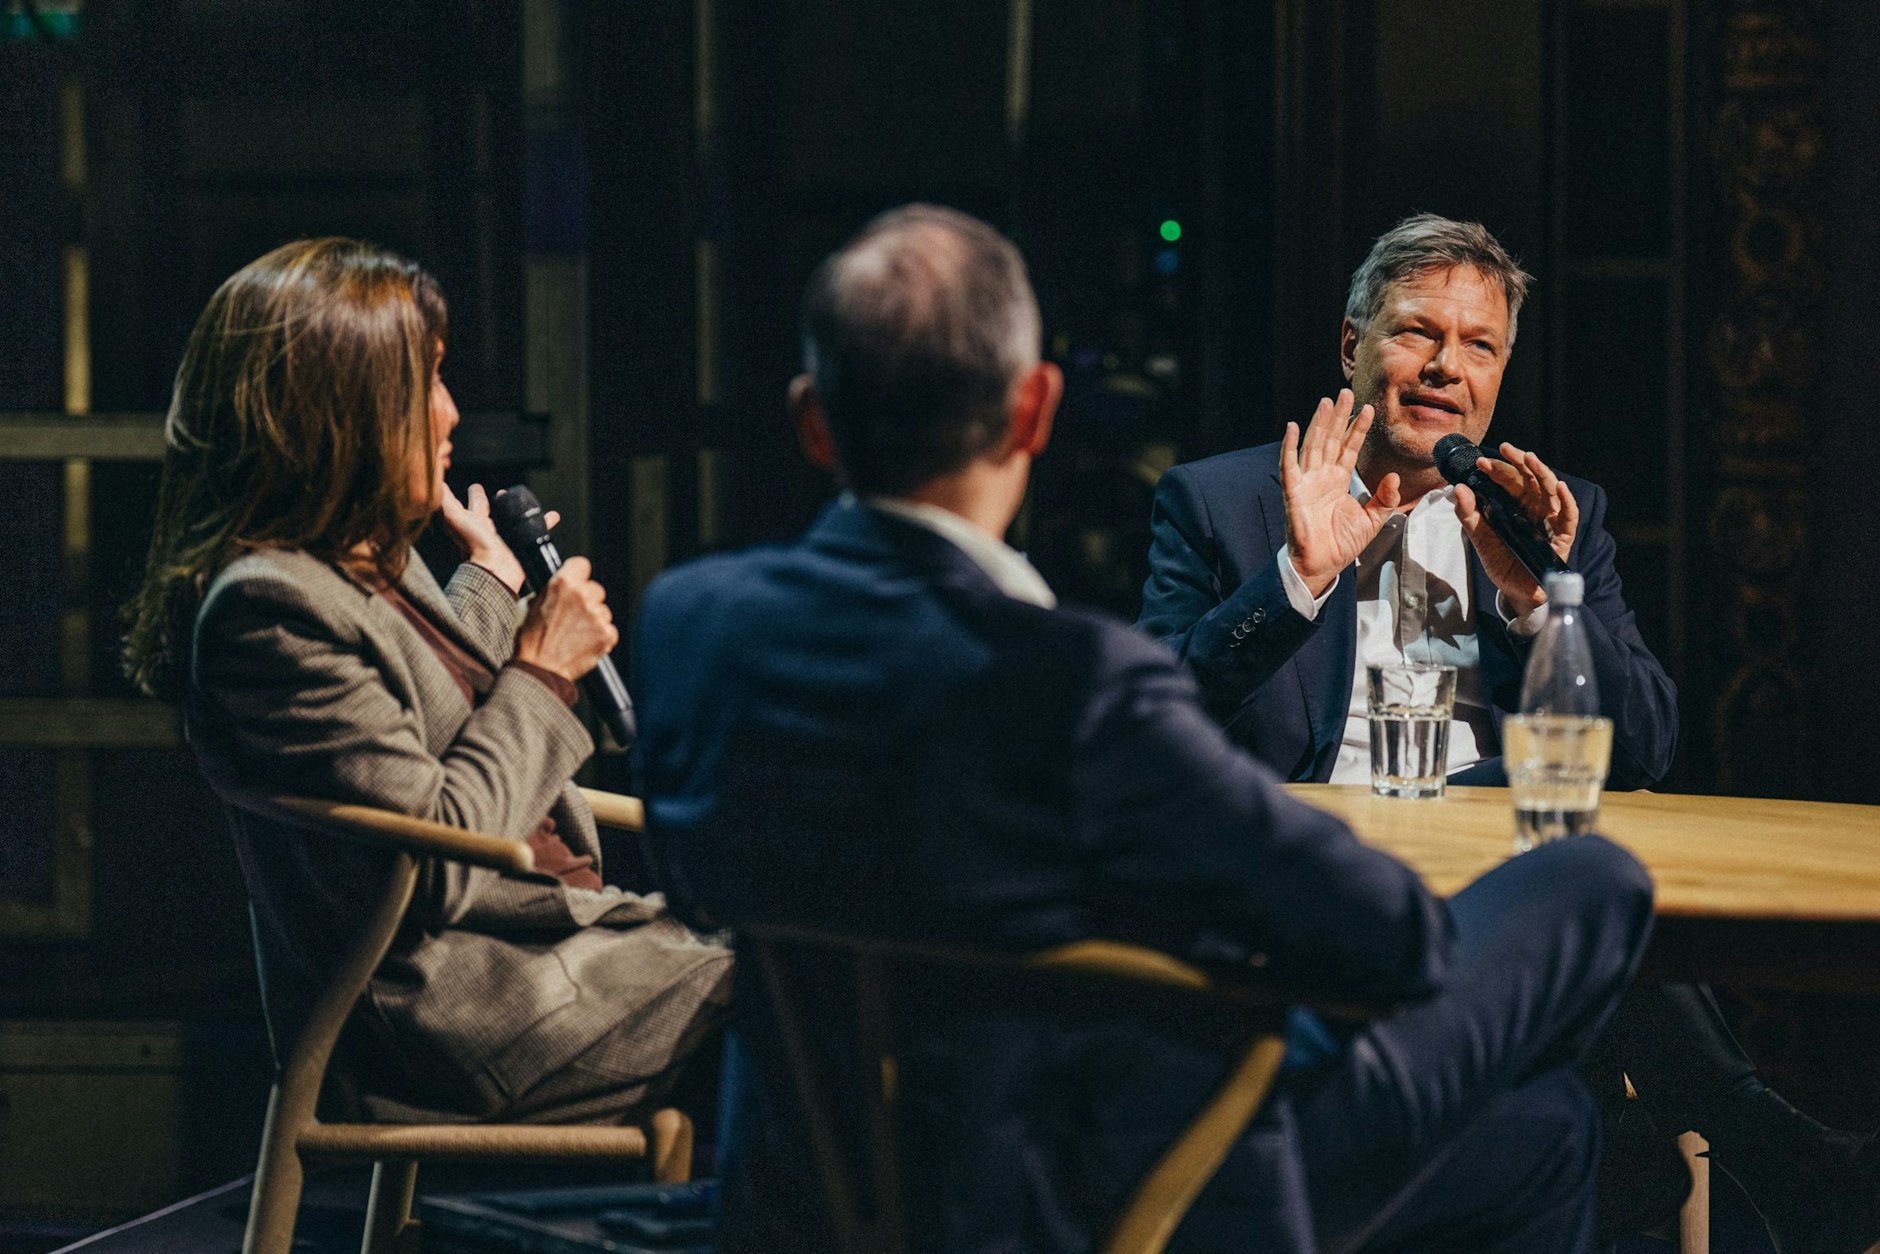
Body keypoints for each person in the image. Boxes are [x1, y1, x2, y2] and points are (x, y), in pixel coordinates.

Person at [633, 204, 1655, 1253]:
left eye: (1478, 344)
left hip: (817, 1188)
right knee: (1592, 890)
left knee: (1541, 1127)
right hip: (1117, 1191)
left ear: (811, 418)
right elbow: (1381, 936)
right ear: (1034, 411)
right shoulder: (1072, 683)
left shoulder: (689, 627)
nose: (1446, 365)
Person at [1137, 212, 1879, 1250]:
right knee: (1569, 852)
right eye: (1413, 333)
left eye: (1478, 346)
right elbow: (1157, 725)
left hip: (1503, 884)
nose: (1445, 365)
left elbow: (1642, 749)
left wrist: (1545, 606)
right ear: (1347, 346)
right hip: (1315, 888)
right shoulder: (1220, 504)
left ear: (1499, 375)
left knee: (1561, 834)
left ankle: (1742, 1151)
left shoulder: (1554, 515)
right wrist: (1297, 581)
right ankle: (1766, 1146)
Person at [123, 237, 730, 1125]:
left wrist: (486, 587)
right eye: (428, 383)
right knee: (822, 1008)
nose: (451, 415)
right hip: (466, 1012)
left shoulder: (362, 564)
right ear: (344, 409)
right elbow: (435, 846)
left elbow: (417, 722)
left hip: (554, 955)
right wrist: (542, 667)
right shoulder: (266, 610)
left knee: (838, 973)